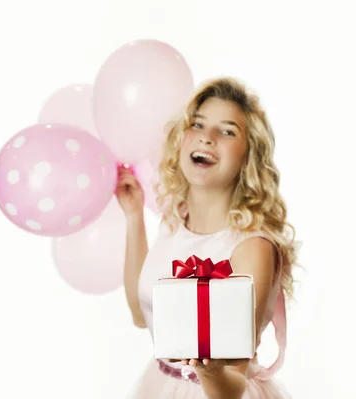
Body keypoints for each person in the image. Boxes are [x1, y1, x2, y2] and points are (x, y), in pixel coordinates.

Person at [115, 76, 298, 399]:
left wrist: (209, 369)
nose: (207, 138)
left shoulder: (252, 248)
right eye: (197, 125)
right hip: (160, 386)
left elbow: (232, 388)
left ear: (248, 156)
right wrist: (134, 216)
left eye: (227, 131)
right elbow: (140, 316)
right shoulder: (174, 218)